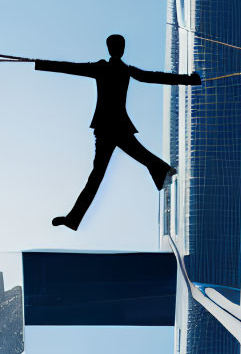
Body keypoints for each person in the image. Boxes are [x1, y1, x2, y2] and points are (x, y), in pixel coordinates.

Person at [35, 34, 201, 230]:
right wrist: (189, 80)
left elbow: (69, 67)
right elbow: (155, 77)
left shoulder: (104, 68)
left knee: (97, 175)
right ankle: (162, 169)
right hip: (117, 127)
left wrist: (38, 63)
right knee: (121, 164)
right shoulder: (124, 70)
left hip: (107, 128)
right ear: (119, 49)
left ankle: (162, 169)